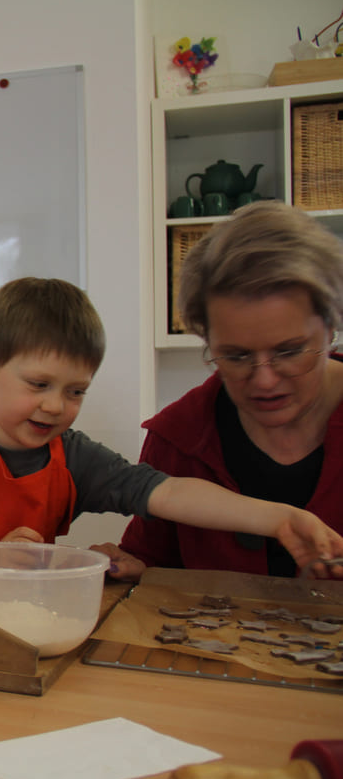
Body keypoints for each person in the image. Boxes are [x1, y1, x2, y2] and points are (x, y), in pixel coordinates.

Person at [0, 275, 343, 580]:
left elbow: (172, 493)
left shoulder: (76, 458)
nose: (54, 406)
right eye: (39, 384)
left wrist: (280, 517)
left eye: (76, 391)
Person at [93, 201, 343, 580]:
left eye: (289, 351)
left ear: (330, 327)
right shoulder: (179, 438)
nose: (264, 380)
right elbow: (154, 561)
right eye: (236, 356)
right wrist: (133, 569)